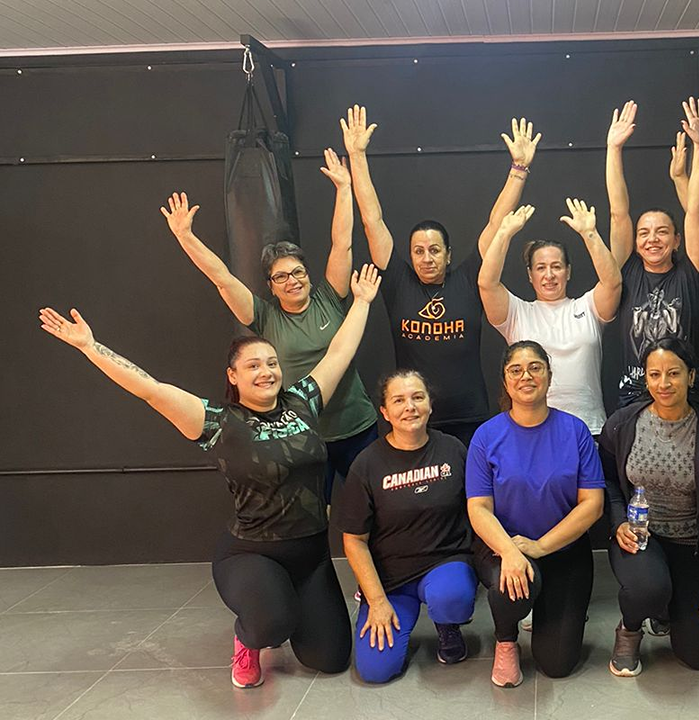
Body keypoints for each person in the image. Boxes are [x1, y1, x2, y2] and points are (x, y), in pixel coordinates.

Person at [38, 265, 384, 689]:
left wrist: (361, 302)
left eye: (272, 363)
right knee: (271, 624)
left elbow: (339, 353)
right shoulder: (218, 422)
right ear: (233, 376)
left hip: (311, 555)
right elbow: (150, 388)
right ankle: (250, 635)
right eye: (253, 365)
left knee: (329, 659)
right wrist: (91, 347)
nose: (266, 372)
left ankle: (286, 602)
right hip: (252, 554)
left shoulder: (304, 401)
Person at [160, 150, 380, 502]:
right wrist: (186, 237)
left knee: (373, 506)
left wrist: (343, 188)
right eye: (281, 277)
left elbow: (343, 243)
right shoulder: (264, 316)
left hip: (357, 427)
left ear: (308, 275)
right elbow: (221, 278)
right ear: (271, 286)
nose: (292, 280)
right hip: (303, 435)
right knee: (313, 512)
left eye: (297, 272)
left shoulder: (329, 297)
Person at [342, 106, 541, 446]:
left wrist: (519, 169)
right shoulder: (398, 284)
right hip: (417, 420)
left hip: (470, 418)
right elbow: (371, 221)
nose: (426, 258)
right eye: (418, 251)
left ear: (448, 254)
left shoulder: (467, 280)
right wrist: (357, 156)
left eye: (434, 250)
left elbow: (496, 223)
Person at [466, 341, 605, 687]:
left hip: (563, 551)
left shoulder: (575, 431)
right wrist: (511, 552)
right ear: (505, 381)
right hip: (504, 548)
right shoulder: (486, 436)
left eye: (535, 368)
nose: (525, 376)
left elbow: (593, 504)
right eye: (516, 370)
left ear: (549, 375)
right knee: (510, 586)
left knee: (556, 664)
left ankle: (546, 610)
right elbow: (478, 508)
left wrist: (540, 547)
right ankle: (506, 639)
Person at [599, 337, 699, 676]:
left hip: (691, 546)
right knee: (648, 588)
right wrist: (618, 523)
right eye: (655, 374)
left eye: (673, 373)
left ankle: (665, 609)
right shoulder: (622, 424)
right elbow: (607, 482)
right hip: (639, 539)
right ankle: (631, 627)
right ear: (645, 378)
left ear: (691, 376)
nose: (664, 383)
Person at [332, 370, 476, 683]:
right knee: (375, 671)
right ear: (385, 412)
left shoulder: (453, 450)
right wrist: (377, 601)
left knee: (452, 598)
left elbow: (478, 510)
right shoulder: (367, 464)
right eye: (398, 400)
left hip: (444, 562)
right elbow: (354, 540)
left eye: (417, 397)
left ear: (430, 405)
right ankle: (389, 611)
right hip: (391, 579)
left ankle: (447, 625)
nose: (409, 407)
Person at [478, 199, 621, 435]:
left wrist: (590, 234)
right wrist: (503, 233)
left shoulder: (588, 307)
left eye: (556, 266)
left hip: (590, 428)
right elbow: (487, 284)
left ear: (568, 271)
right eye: (540, 268)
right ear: (530, 275)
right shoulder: (517, 313)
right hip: (532, 431)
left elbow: (613, 283)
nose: (549, 275)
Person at [606, 98, 699, 407]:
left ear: (677, 240)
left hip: (684, 396)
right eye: (644, 233)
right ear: (635, 242)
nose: (652, 239)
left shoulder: (690, 274)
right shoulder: (627, 269)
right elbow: (618, 213)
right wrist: (613, 149)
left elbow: (695, 211)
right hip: (634, 396)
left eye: (662, 231)